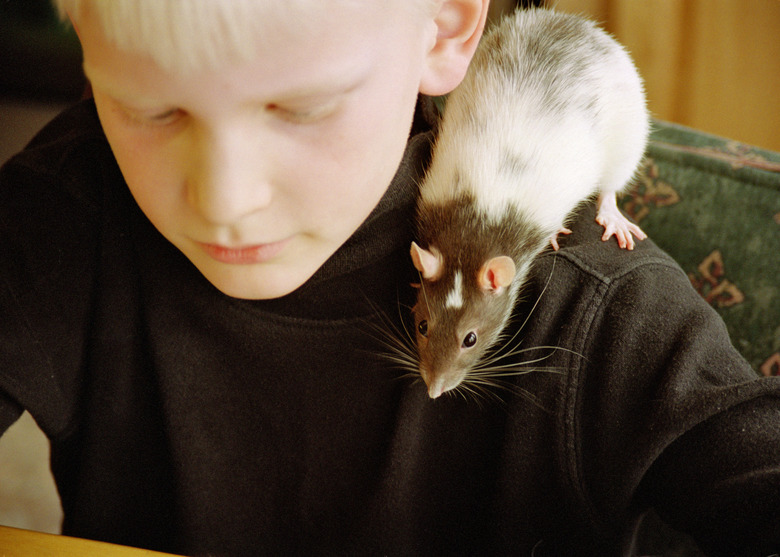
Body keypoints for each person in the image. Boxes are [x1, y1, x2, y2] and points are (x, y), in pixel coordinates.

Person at [0, 1, 778, 555]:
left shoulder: (600, 308)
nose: (225, 202)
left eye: (302, 107)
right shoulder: (64, 215)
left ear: (444, 28)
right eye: (150, 108)